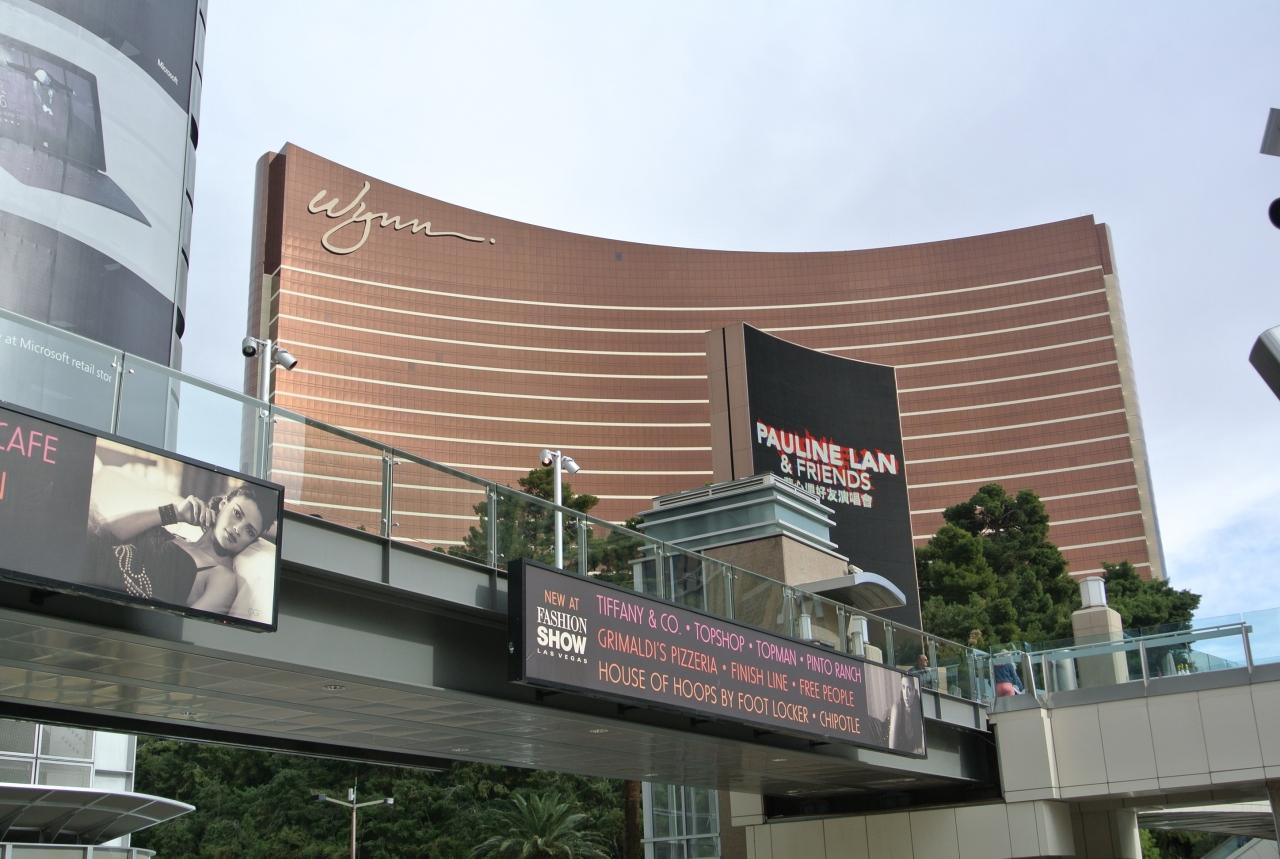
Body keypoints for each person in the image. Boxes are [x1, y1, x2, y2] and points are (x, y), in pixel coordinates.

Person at [90, 485, 274, 613]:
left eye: (250, 531)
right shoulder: (173, 535)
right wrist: (175, 513)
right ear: (223, 504)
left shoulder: (223, 578)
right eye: (237, 514)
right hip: (87, 559)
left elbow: (185, 630)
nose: (238, 529)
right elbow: (103, 531)